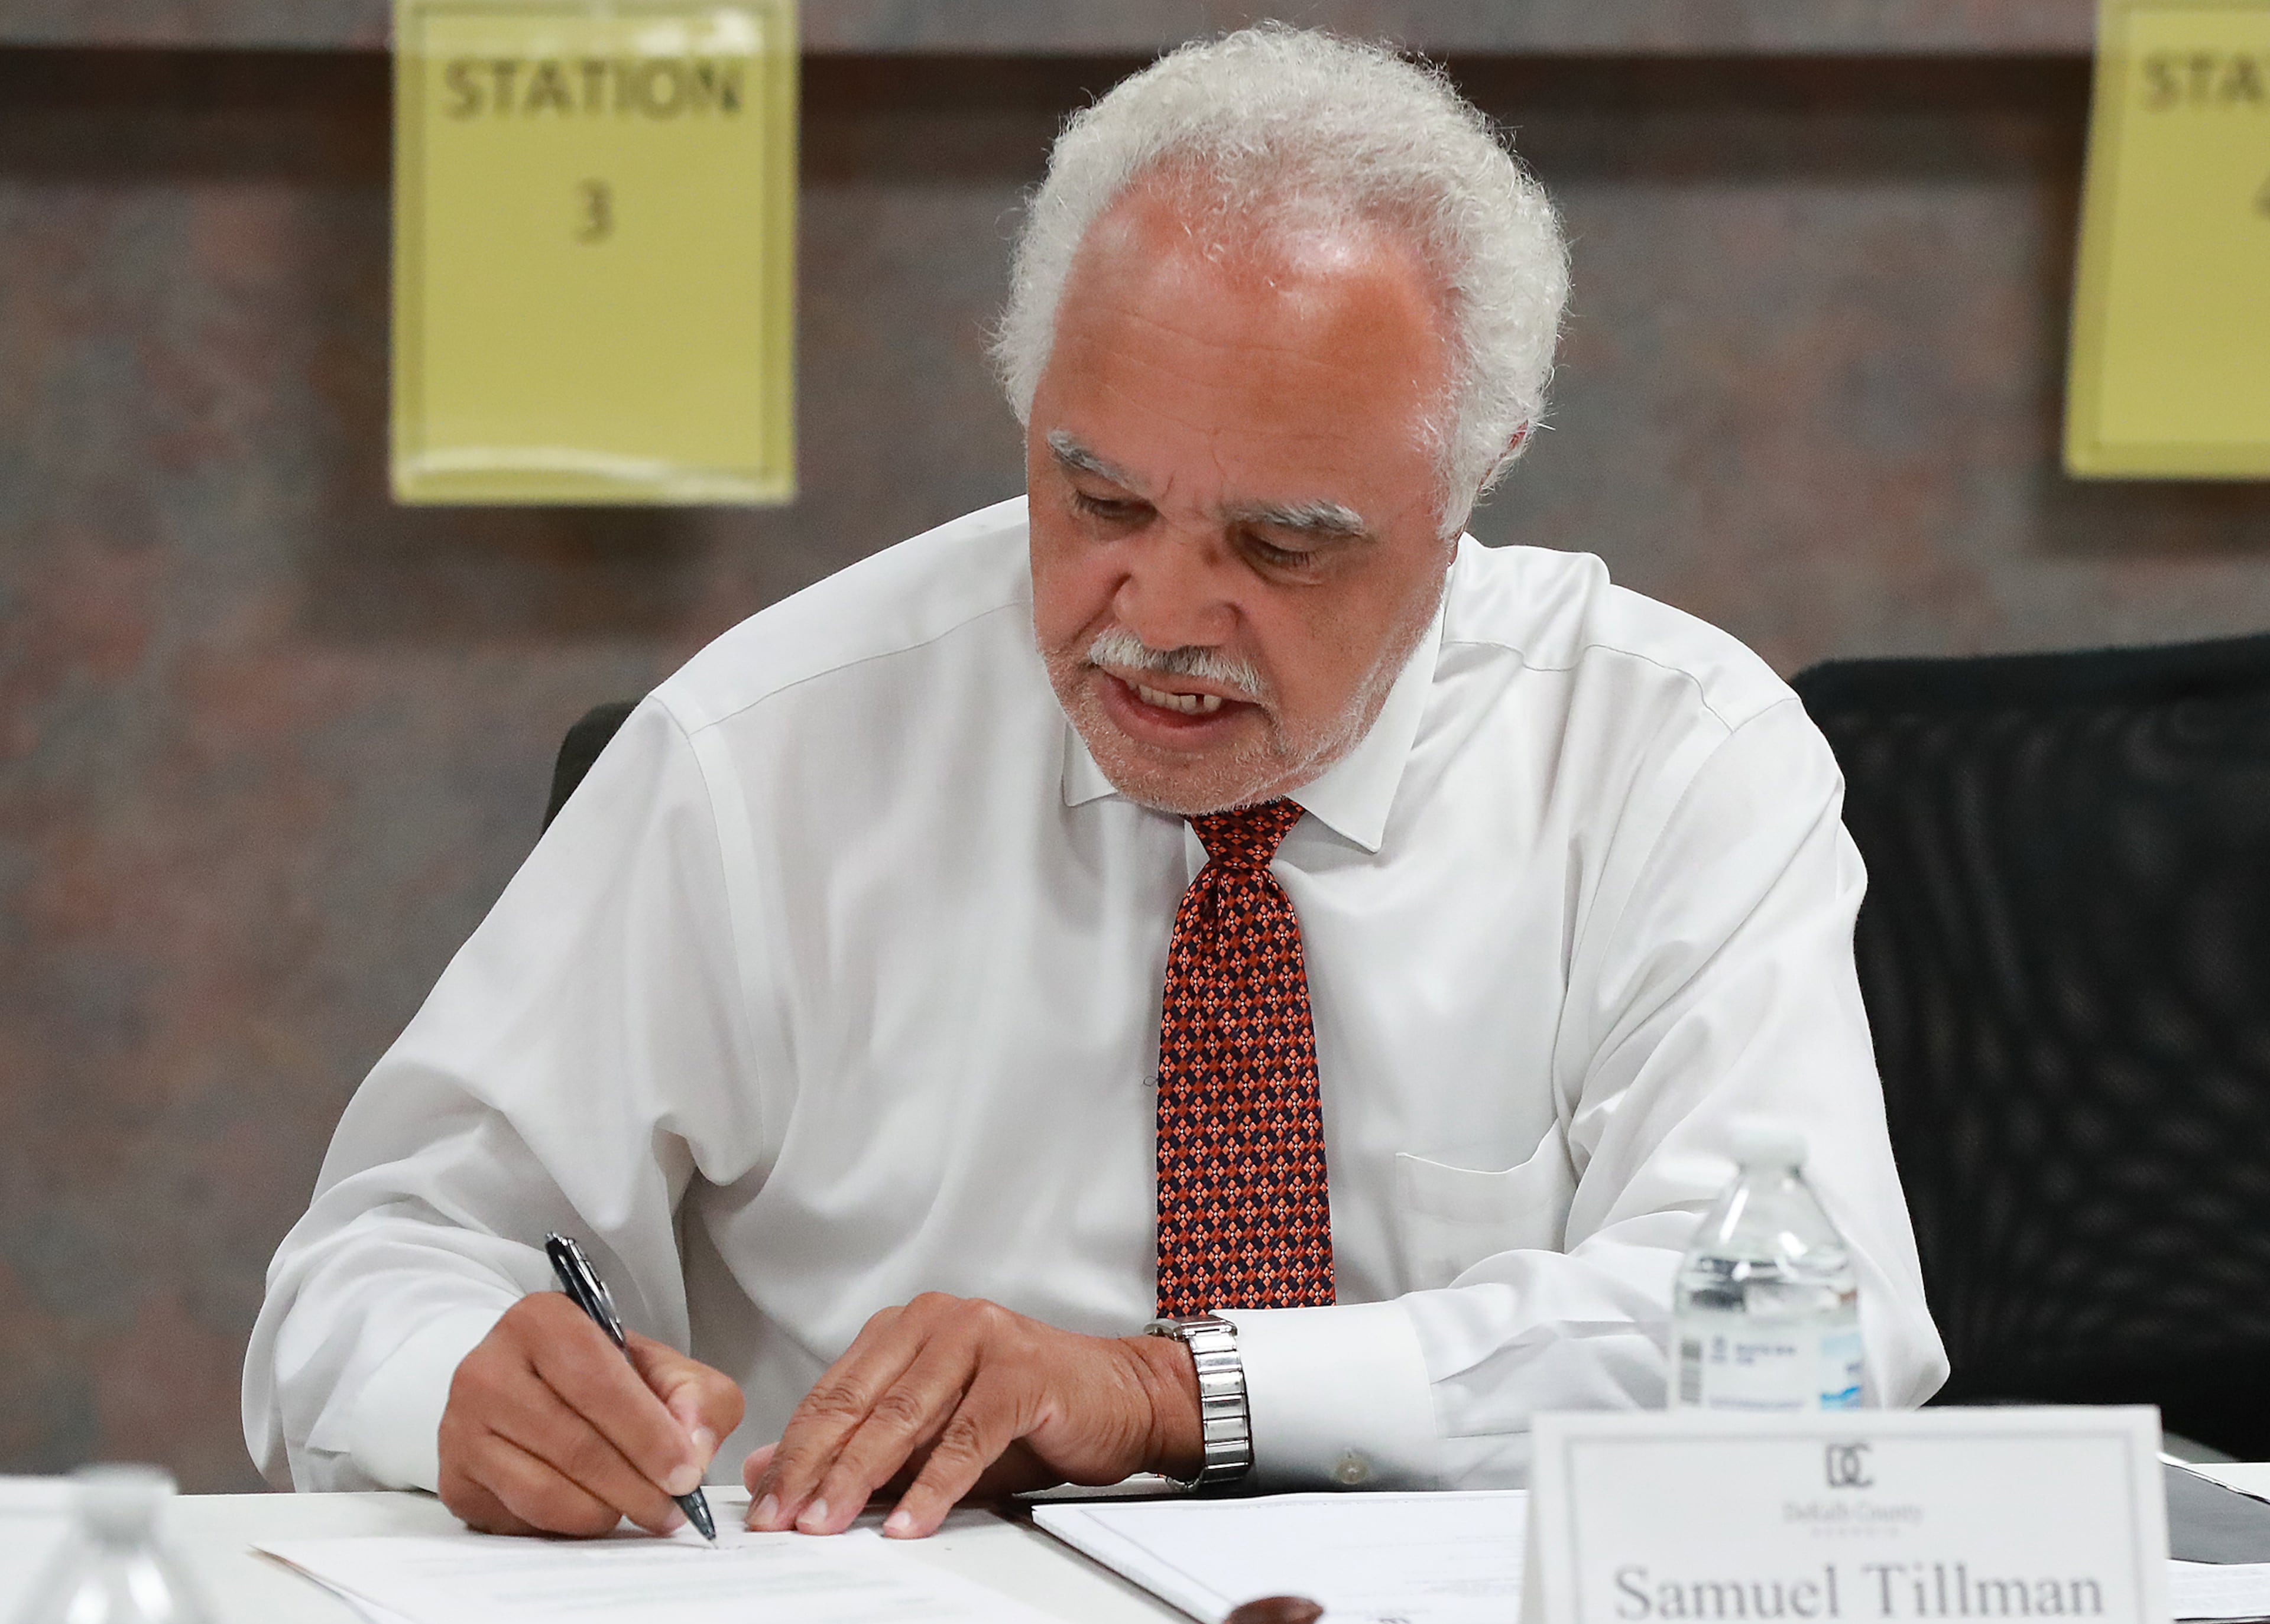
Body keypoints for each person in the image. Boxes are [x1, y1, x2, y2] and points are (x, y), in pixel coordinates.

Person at [243, 27, 1948, 1541]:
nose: (1161, 619)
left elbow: (1811, 1333)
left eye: (1285, 543)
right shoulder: (771, 747)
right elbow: (372, 1267)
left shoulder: (1667, 754)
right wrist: (459, 1384)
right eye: (1102, 504)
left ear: (1475, 476)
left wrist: (1165, 1393)